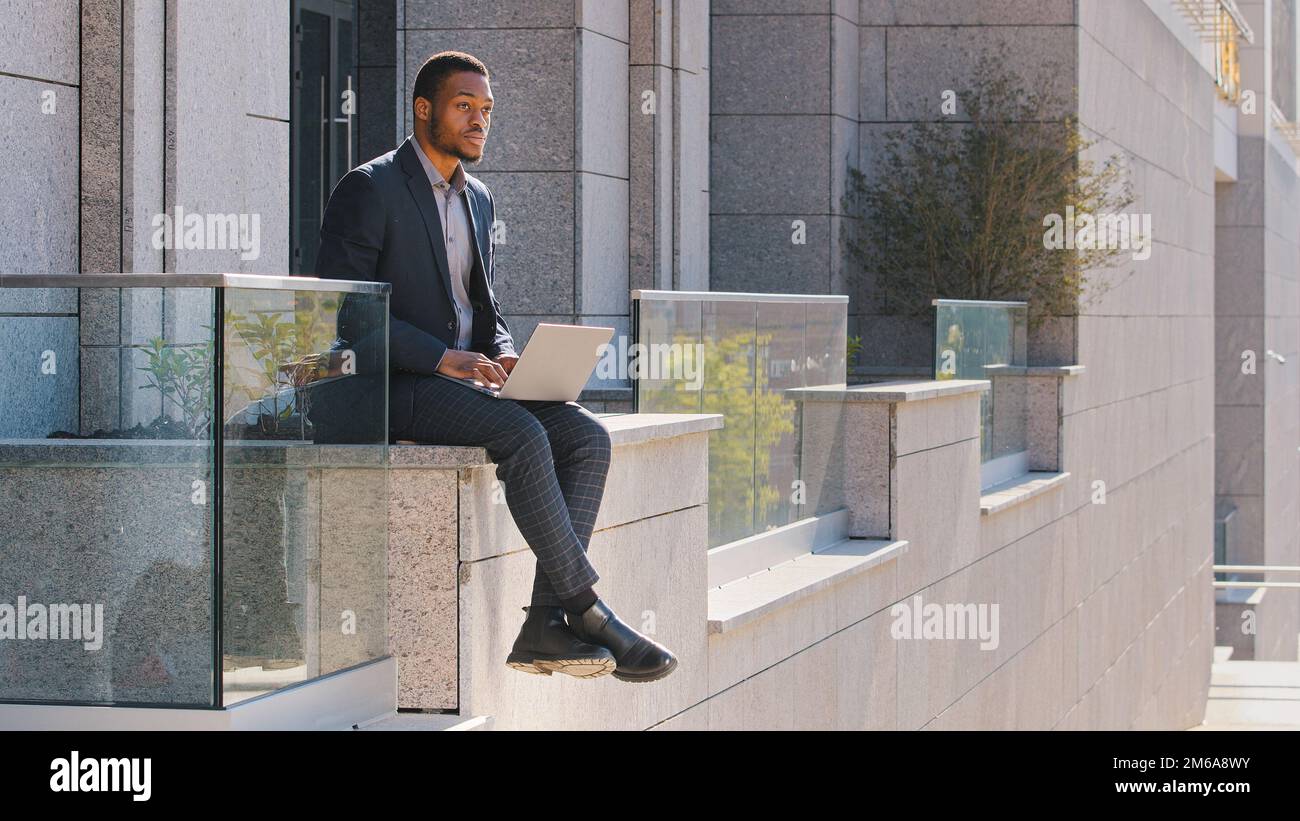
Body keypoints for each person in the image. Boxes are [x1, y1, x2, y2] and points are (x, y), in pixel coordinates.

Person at [313, 50, 676, 683]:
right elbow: (350, 318)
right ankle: (587, 611)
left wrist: (504, 350)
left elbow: (483, 308)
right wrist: (440, 357)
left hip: (464, 380)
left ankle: (543, 622)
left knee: (585, 435)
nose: (479, 121)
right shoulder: (368, 190)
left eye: (486, 110)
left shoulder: (477, 199)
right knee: (521, 434)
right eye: (464, 108)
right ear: (424, 109)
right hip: (389, 385)